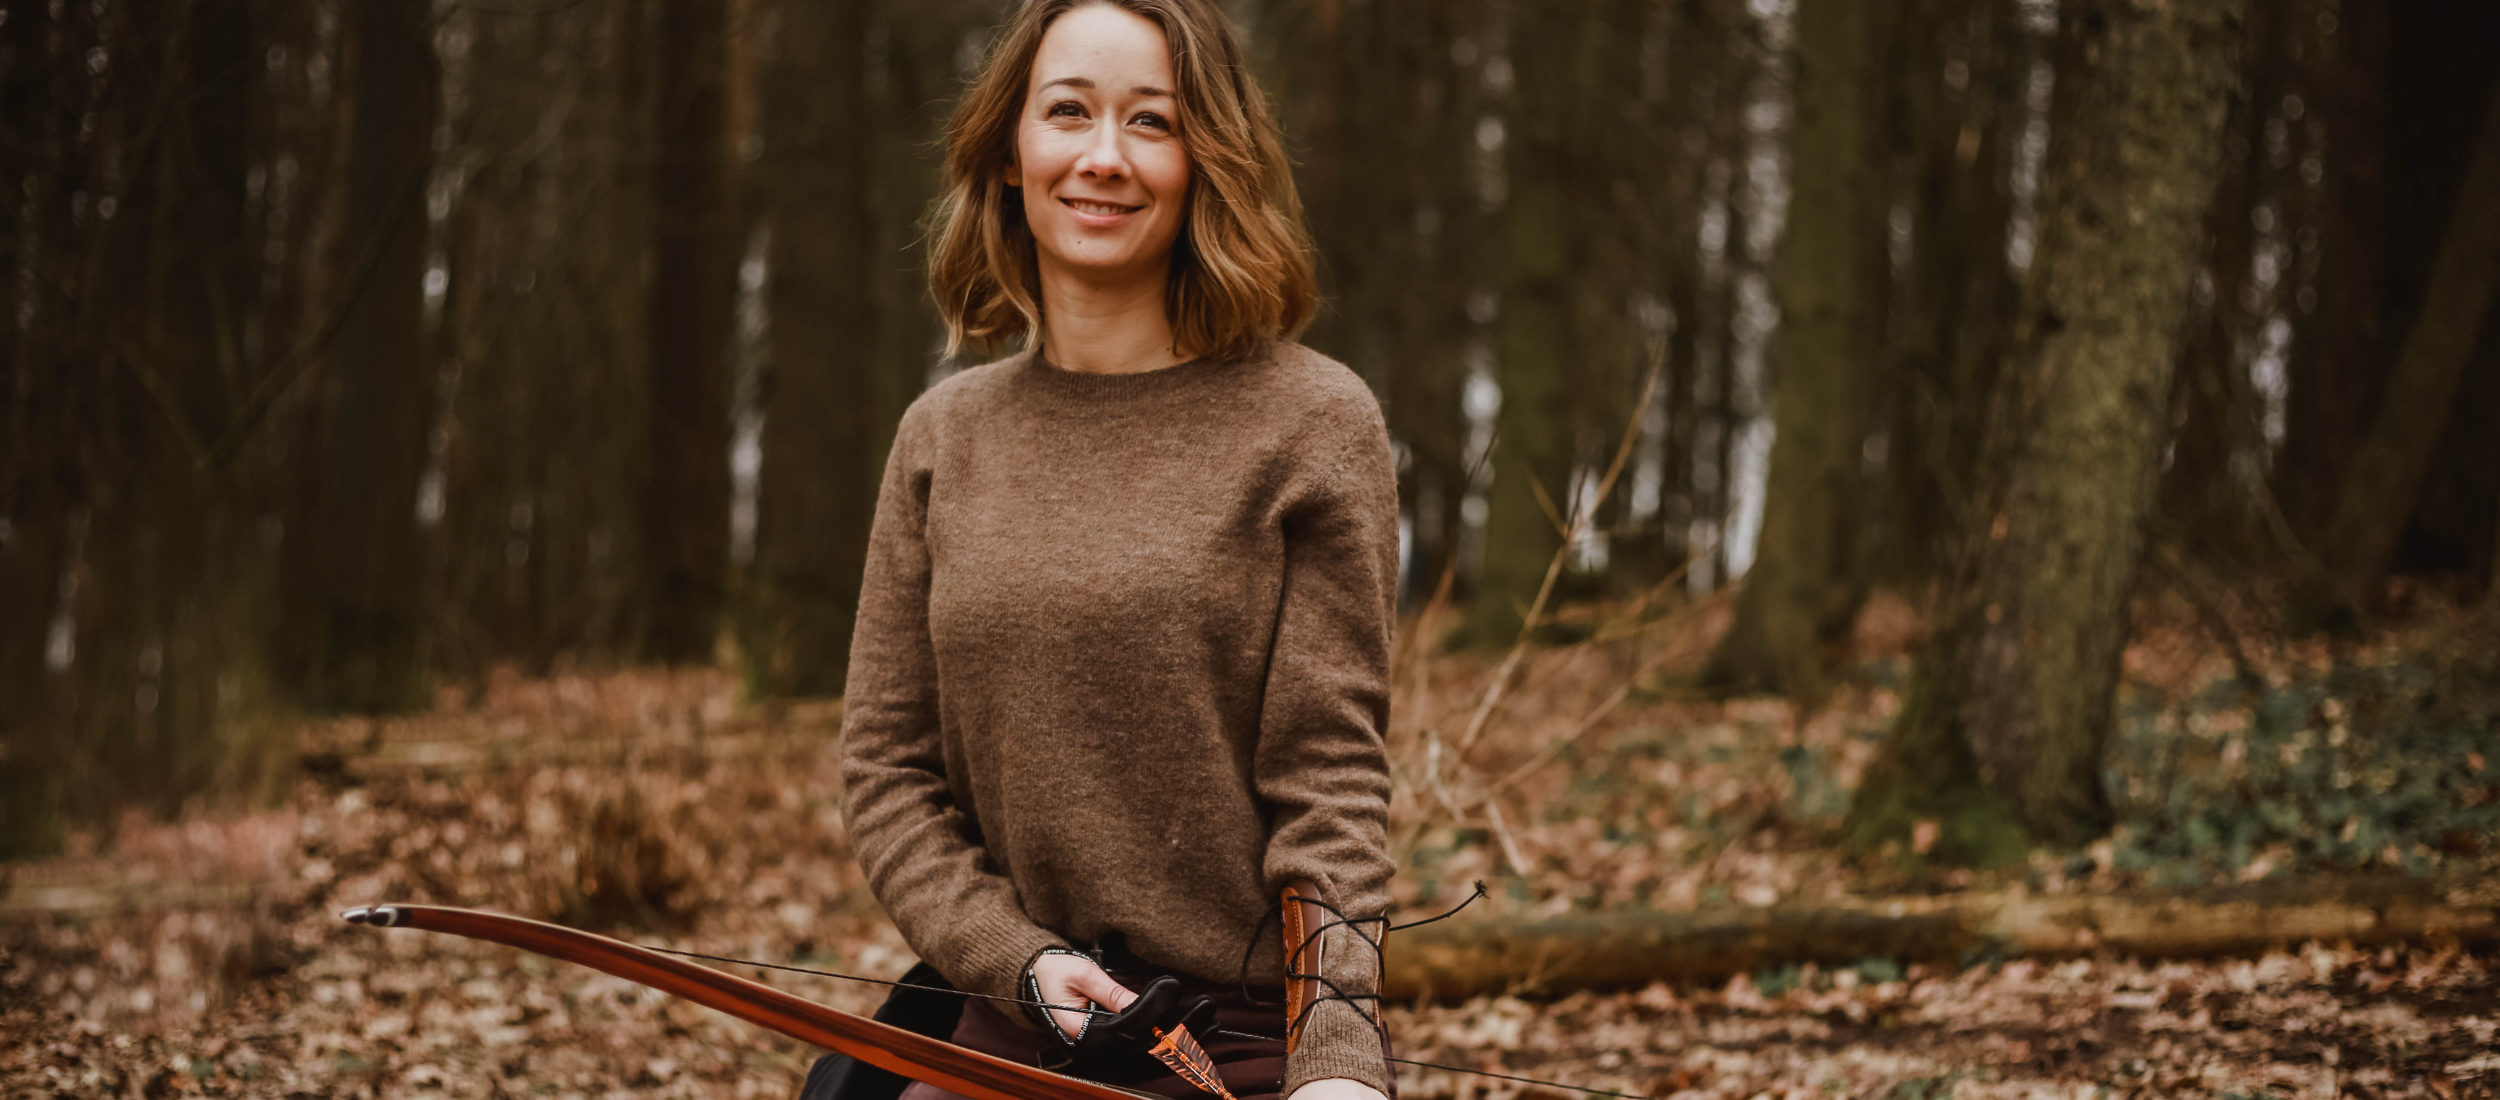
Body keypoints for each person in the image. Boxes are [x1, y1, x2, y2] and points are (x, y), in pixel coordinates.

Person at [817, 3, 1401, 1100]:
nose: (1103, 157)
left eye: (1151, 122)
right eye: (1068, 111)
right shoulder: (941, 436)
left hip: (1236, 1037)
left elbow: (1330, 781)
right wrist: (1015, 960)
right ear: (1008, 150)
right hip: (1010, 1018)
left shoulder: (1315, 423)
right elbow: (888, 772)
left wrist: (1338, 1053)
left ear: (1206, 159)